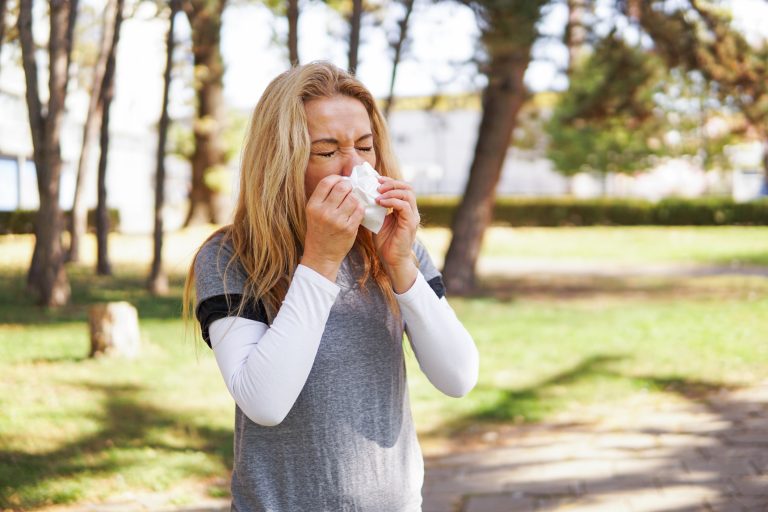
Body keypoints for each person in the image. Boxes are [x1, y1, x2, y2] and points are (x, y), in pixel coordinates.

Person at [183, 61, 479, 512]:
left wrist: (401, 264)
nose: (355, 166)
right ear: (281, 160)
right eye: (327, 151)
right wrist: (319, 260)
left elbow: (458, 377)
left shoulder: (395, 249)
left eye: (365, 146)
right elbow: (265, 401)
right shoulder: (230, 257)